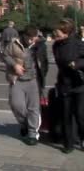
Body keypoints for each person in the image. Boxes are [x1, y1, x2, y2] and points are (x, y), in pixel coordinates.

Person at [3, 25, 48, 146]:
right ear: (24, 36)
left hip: (33, 80)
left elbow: (44, 62)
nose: (32, 41)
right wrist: (14, 65)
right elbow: (5, 55)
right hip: (17, 79)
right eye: (30, 38)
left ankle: (33, 133)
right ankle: (24, 124)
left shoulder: (40, 45)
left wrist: (42, 76)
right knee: (16, 104)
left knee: (33, 108)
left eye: (34, 38)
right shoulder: (14, 43)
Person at [52, 19, 84, 154]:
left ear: (66, 32)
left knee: (80, 115)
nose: (55, 35)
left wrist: (77, 64)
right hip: (64, 84)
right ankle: (68, 143)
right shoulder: (56, 45)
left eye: (57, 32)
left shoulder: (77, 44)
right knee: (66, 115)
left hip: (79, 84)